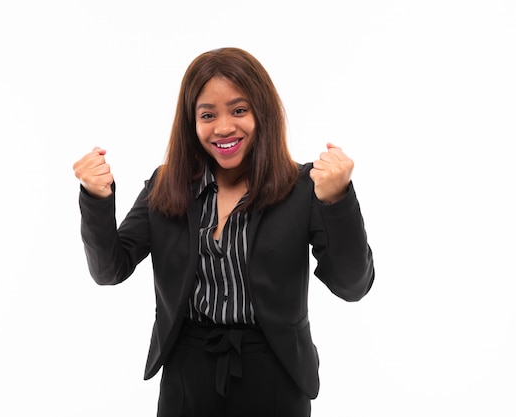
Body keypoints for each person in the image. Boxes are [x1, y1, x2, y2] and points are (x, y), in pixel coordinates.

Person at [72, 47, 374, 417]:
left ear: (262, 112)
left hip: (275, 371)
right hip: (187, 371)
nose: (224, 127)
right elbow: (109, 270)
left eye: (239, 110)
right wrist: (96, 198)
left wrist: (337, 200)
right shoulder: (166, 185)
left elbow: (352, 285)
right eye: (208, 115)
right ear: (191, 123)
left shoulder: (302, 188)